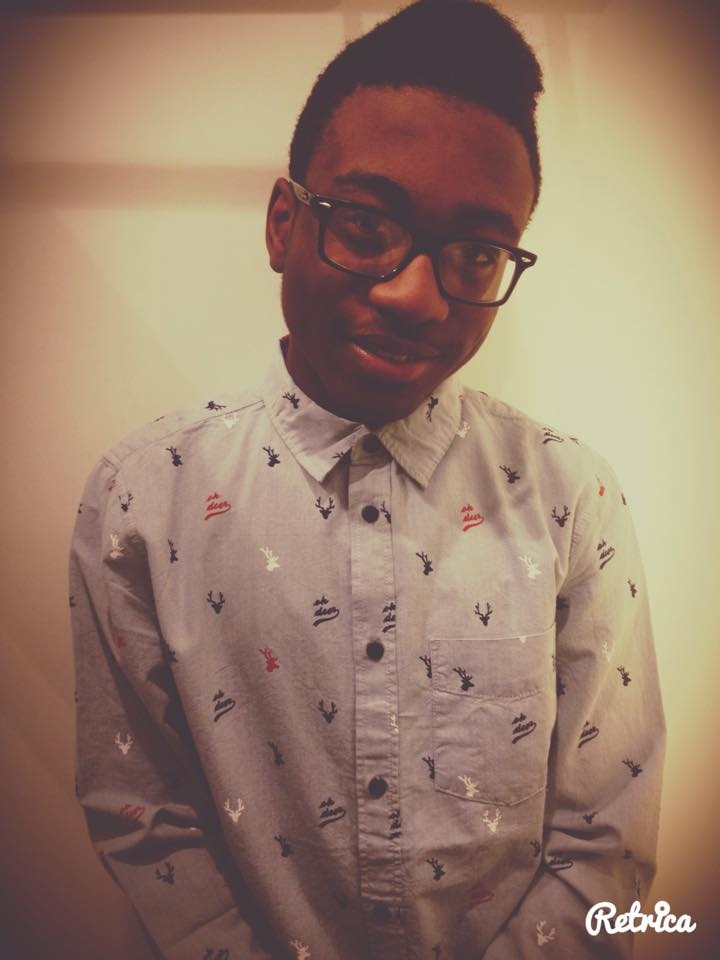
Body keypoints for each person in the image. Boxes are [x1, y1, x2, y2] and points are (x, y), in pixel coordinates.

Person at [69, 2, 665, 958]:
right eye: (365, 224)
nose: (412, 294)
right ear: (282, 224)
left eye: (475, 253)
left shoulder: (572, 499)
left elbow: (606, 838)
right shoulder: (143, 499)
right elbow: (145, 818)